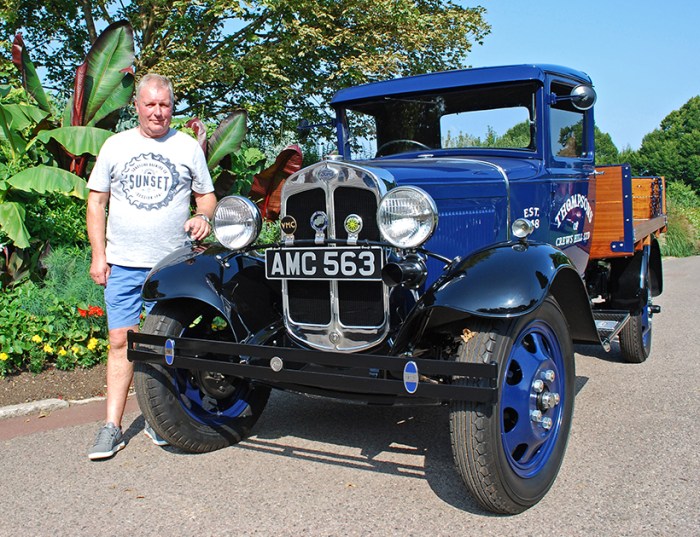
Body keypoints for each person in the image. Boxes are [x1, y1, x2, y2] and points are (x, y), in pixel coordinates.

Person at [86, 73, 216, 460]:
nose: (158, 112)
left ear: (171, 107)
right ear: (137, 106)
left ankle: (162, 421)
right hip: (123, 262)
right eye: (150, 105)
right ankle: (111, 427)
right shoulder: (116, 145)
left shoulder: (188, 147)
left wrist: (203, 217)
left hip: (172, 265)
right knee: (120, 342)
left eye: (164, 105)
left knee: (163, 344)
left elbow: (206, 197)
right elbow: (96, 203)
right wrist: (98, 254)